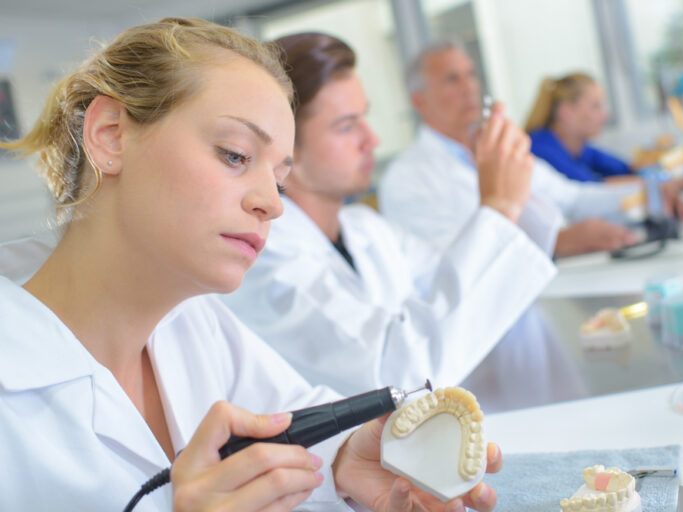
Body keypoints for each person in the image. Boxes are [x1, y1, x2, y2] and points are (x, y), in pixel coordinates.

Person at [0, 18, 501, 511]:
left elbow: (297, 420)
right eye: (235, 154)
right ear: (110, 136)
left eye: (280, 180)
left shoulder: (195, 322)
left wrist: (347, 460)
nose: (273, 203)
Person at [221, 32, 557, 397]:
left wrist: (508, 192)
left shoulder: (367, 230)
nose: (372, 140)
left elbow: (467, 286)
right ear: (287, 148)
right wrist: (499, 208)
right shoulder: (264, 263)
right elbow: (397, 375)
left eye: (364, 118)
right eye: (347, 126)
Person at [378, 42, 638, 258]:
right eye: (452, 79)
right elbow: (445, 264)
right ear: (418, 100)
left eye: (470, 75)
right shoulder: (405, 178)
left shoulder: (497, 147)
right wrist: (556, 242)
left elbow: (572, 198)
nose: (469, 87)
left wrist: (651, 191)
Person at [525, 72, 683, 218]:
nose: (605, 115)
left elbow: (629, 170)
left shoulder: (580, 147)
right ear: (567, 112)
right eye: (596, 106)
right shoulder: (539, 148)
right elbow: (593, 190)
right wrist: (673, 183)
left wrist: (679, 169)